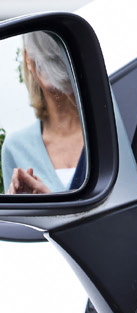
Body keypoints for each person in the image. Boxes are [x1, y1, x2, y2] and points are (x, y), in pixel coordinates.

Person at [5, 32, 87, 194]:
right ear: (28, 57)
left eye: (54, 43)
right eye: (40, 47)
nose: (48, 54)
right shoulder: (15, 147)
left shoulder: (106, 128)